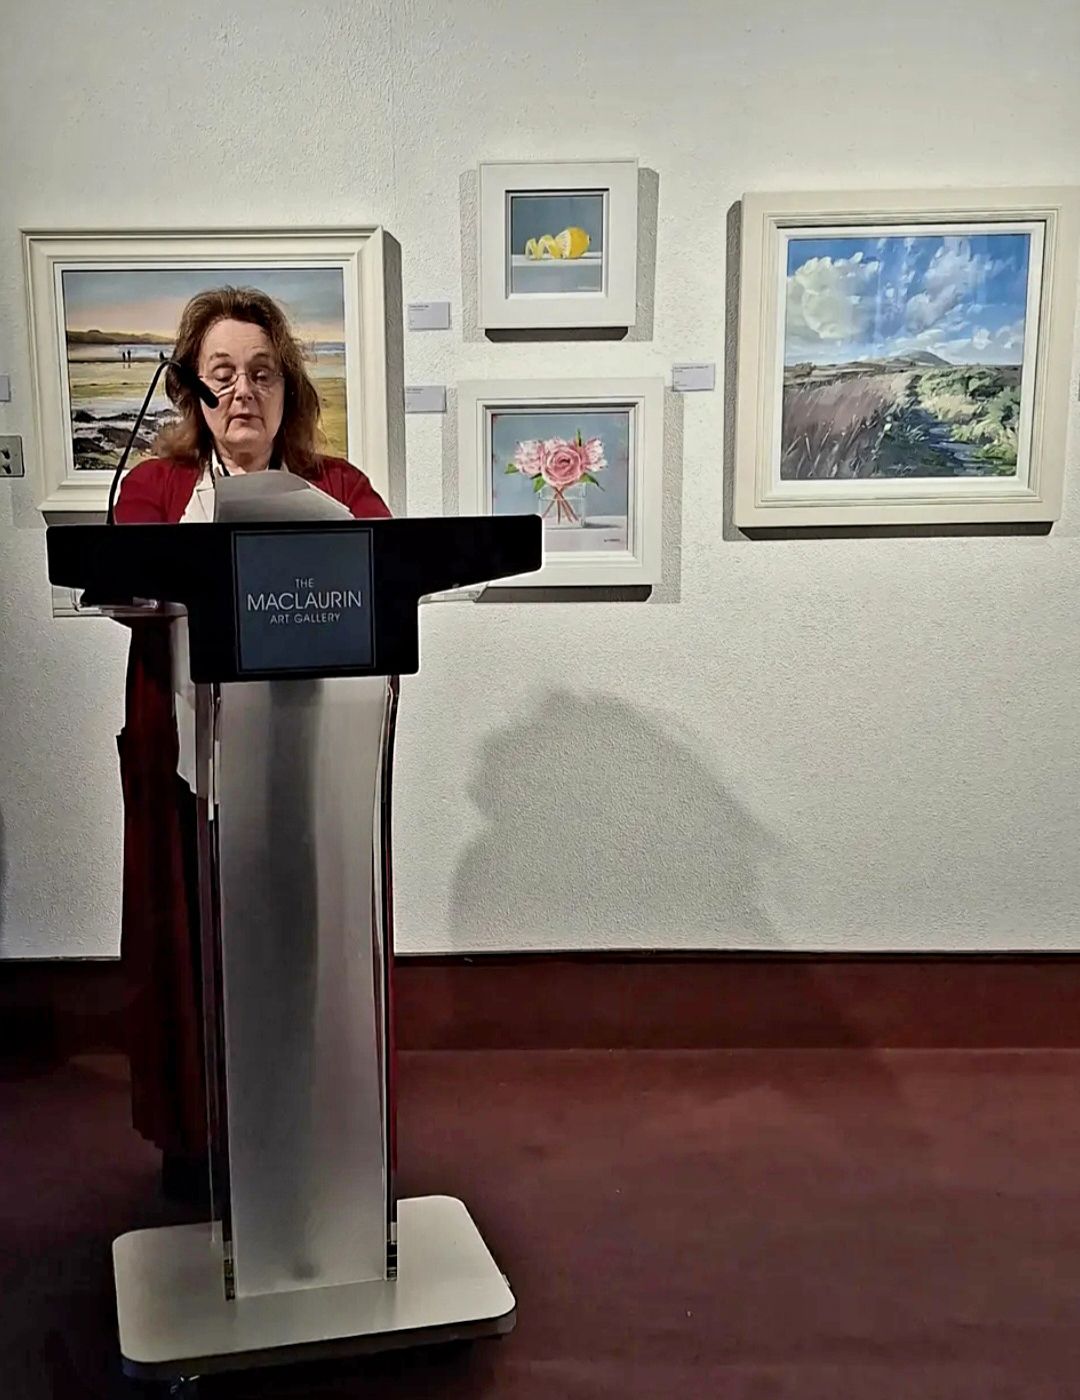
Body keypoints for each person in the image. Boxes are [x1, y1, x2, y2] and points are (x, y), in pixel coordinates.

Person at [114, 286, 390, 1194]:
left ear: (288, 388)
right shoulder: (154, 489)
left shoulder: (337, 486)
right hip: (187, 756)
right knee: (193, 943)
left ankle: (310, 1130)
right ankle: (198, 1141)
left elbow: (392, 569)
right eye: (223, 373)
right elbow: (124, 583)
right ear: (192, 390)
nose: (244, 392)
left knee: (301, 945)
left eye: (263, 373)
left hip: (309, 761)